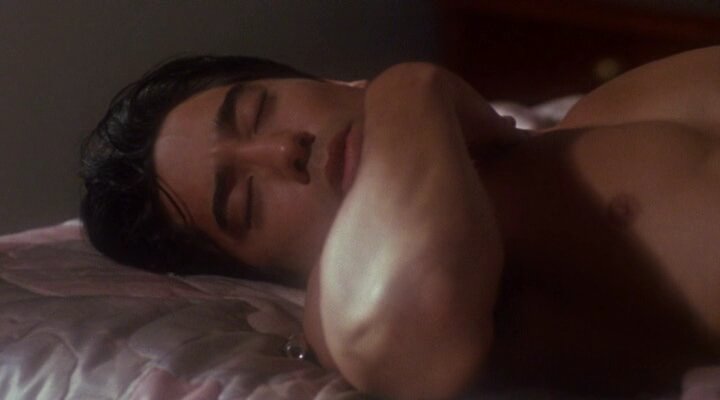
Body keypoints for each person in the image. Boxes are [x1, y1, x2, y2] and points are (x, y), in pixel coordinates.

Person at [81, 47, 720, 399]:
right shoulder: (347, 305)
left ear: (336, 79)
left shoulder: (610, 107)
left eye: (259, 112)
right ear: (265, 269)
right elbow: (414, 323)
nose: (283, 150)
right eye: (245, 201)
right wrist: (408, 88)